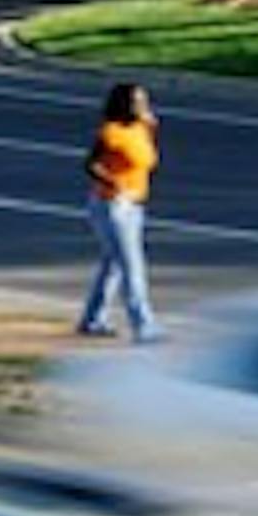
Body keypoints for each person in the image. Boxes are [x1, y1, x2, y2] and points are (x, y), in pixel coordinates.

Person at [78, 83, 163, 343]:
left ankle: (93, 319)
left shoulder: (142, 128)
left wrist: (151, 126)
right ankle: (144, 326)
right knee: (131, 266)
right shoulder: (111, 132)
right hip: (113, 206)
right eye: (137, 102)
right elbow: (91, 164)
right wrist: (113, 183)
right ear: (123, 105)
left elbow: (146, 159)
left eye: (144, 101)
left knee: (113, 264)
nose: (143, 106)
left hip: (134, 205)